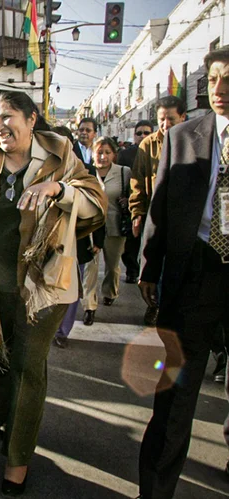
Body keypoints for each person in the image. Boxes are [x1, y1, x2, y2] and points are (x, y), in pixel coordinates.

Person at [0, 92, 105, 495]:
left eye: (8, 117)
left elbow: (94, 204)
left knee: (28, 368)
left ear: (32, 120)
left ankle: (17, 460)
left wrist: (58, 190)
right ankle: (4, 415)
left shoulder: (61, 154)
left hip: (44, 287)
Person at [137, 45, 229, 499]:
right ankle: (154, 492)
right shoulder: (184, 136)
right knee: (174, 397)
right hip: (195, 275)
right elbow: (161, 208)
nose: (219, 89)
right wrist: (149, 267)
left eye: (228, 79)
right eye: (212, 79)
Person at [129, 96, 187, 327]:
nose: (166, 125)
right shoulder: (148, 145)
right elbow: (137, 182)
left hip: (183, 219)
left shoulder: (192, 141)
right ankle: (154, 306)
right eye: (162, 120)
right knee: (152, 266)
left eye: (171, 119)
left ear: (183, 117)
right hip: (155, 218)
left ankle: (173, 307)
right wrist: (137, 213)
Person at [50, 126, 105, 347]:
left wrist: (98, 240)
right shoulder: (40, 169)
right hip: (48, 242)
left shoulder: (87, 171)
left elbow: (98, 206)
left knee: (71, 288)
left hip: (78, 240)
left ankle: (63, 332)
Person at [79, 137, 130, 326]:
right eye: (99, 152)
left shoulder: (124, 173)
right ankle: (89, 306)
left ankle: (110, 292)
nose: (103, 156)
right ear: (93, 154)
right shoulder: (86, 172)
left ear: (113, 155)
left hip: (115, 226)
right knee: (90, 268)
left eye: (107, 152)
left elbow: (133, 196)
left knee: (112, 265)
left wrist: (128, 202)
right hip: (92, 227)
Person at [118, 120, 154, 284]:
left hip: (153, 203)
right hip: (132, 203)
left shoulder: (158, 149)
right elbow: (120, 177)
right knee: (131, 240)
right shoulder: (126, 154)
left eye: (146, 132)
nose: (142, 136)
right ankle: (132, 270)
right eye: (139, 133)